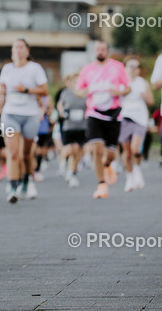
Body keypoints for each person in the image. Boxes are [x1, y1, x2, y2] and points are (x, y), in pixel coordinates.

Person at [75, 40, 130, 199]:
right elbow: (78, 91)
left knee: (110, 154)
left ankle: (108, 165)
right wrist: (86, 91)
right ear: (94, 51)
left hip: (113, 114)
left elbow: (128, 87)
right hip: (94, 113)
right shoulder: (87, 70)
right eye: (98, 49)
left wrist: (118, 92)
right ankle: (101, 185)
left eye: (103, 49)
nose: (100, 51)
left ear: (107, 51)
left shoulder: (117, 67)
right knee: (97, 149)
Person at [0, 38, 49, 203]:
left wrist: (26, 90)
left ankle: (26, 179)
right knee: (12, 153)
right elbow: (0, 87)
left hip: (30, 115)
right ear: (12, 52)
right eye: (15, 48)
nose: (18, 50)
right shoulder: (7, 69)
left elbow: (44, 90)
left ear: (27, 51)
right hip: (10, 114)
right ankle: (13, 188)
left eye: (21, 47)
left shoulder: (35, 68)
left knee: (26, 154)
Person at [119, 58, 153, 191]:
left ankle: (137, 169)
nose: (133, 69)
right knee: (126, 152)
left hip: (139, 119)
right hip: (124, 118)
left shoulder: (142, 83)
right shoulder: (121, 83)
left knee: (135, 149)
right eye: (130, 66)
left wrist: (144, 95)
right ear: (125, 68)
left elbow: (151, 101)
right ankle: (129, 177)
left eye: (136, 66)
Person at [56, 73, 87, 188]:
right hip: (68, 125)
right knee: (69, 148)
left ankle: (72, 173)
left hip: (81, 125)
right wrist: (61, 111)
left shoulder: (85, 93)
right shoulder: (65, 93)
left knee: (78, 150)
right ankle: (62, 163)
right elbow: (60, 104)